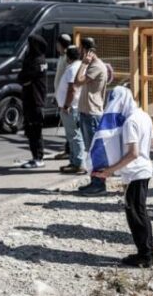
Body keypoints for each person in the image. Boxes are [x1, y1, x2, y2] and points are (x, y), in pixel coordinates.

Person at [95, 87, 153, 268]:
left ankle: (145, 256)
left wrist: (110, 170)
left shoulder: (130, 122)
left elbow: (133, 153)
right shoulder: (144, 115)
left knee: (136, 216)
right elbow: (152, 142)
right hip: (144, 170)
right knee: (141, 213)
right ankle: (149, 253)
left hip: (135, 173)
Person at [74, 37, 108, 195]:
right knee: (92, 150)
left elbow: (78, 81)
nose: (80, 53)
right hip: (88, 112)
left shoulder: (95, 66)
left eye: (82, 49)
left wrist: (84, 63)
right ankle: (94, 181)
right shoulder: (94, 65)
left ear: (88, 51)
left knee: (96, 151)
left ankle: (99, 184)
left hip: (92, 113)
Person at [18, 35, 48, 169]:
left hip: (35, 100)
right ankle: (35, 157)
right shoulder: (35, 59)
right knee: (31, 130)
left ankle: (38, 158)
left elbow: (24, 77)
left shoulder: (37, 61)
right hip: (31, 98)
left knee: (35, 130)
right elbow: (23, 78)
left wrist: (24, 78)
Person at [57, 46, 86, 174]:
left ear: (68, 57)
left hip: (71, 107)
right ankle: (74, 161)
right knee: (72, 135)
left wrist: (67, 105)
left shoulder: (73, 68)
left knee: (74, 135)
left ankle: (79, 163)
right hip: (74, 106)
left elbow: (72, 89)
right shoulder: (79, 66)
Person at [53, 34, 72, 160]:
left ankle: (70, 152)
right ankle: (68, 150)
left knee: (70, 128)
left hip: (66, 98)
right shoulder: (61, 57)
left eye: (57, 44)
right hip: (60, 96)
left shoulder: (67, 58)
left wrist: (65, 101)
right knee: (67, 128)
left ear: (60, 44)